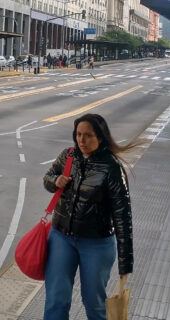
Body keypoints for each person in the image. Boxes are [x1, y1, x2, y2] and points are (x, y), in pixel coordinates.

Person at [42, 113, 133, 320]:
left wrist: (125, 264)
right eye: (78, 135)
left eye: (88, 135)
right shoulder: (68, 156)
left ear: (100, 137)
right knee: (56, 298)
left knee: (93, 302)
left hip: (97, 243)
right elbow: (48, 177)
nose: (82, 140)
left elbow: (123, 217)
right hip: (61, 237)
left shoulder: (112, 168)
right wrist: (55, 181)